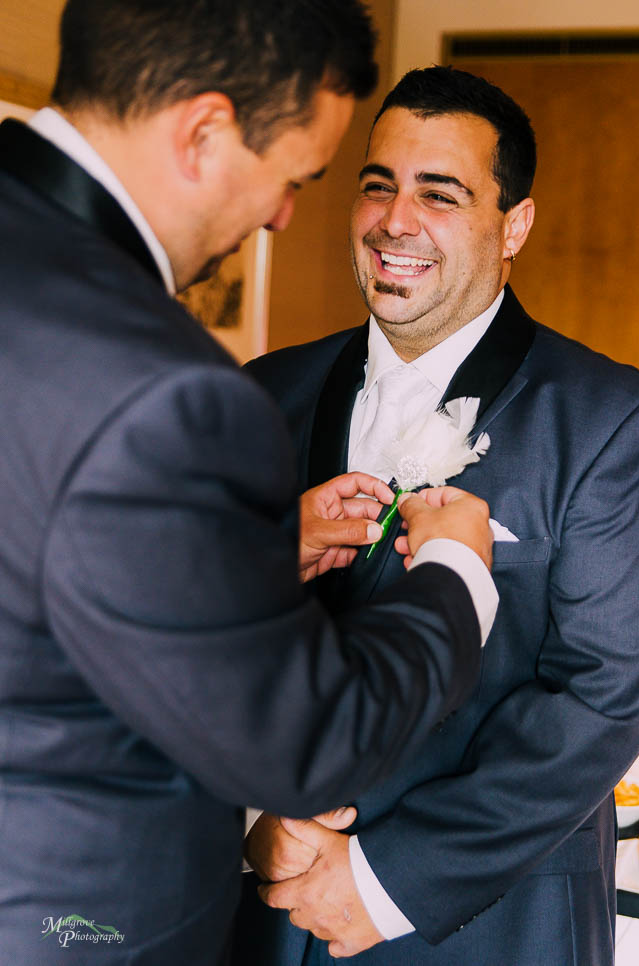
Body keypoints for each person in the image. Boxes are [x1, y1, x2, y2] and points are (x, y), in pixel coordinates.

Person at [0, 7, 502, 963]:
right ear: (202, 131)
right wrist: (455, 575)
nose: (281, 217)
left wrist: (245, 552)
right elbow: (304, 738)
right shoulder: (165, 388)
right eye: (295, 179)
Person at [236, 67, 639, 965]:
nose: (395, 222)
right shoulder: (259, 394)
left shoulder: (615, 422)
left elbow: (600, 695)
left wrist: (387, 879)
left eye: (439, 195)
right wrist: (253, 815)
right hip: (254, 912)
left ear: (513, 223)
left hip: (482, 924)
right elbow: (189, 634)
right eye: (379, 185)